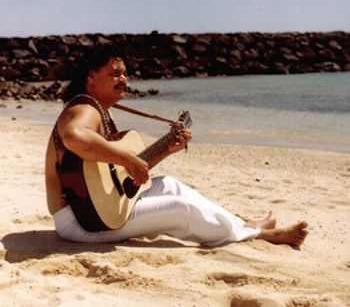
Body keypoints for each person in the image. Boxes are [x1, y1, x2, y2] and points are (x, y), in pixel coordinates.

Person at [45, 46, 308, 247]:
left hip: (94, 210)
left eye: (125, 73)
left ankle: (243, 224)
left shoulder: (102, 112)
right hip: (81, 223)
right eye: (114, 73)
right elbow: (74, 137)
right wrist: (127, 158)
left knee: (170, 184)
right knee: (179, 210)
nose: (123, 79)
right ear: (91, 78)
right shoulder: (84, 109)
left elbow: (121, 181)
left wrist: (165, 149)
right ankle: (261, 235)